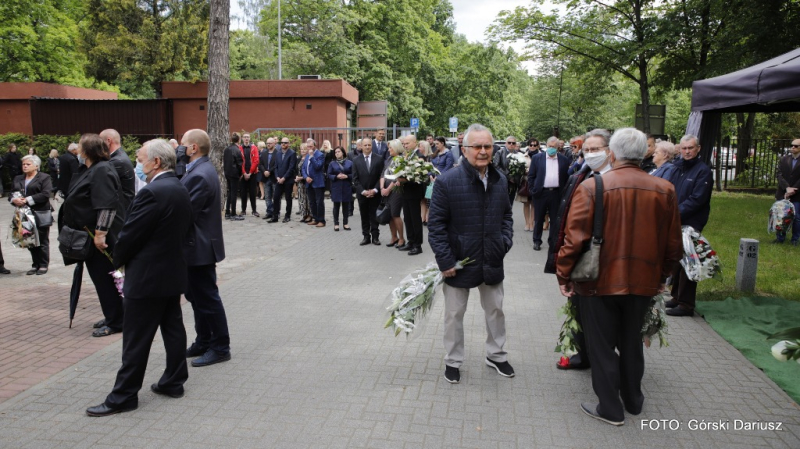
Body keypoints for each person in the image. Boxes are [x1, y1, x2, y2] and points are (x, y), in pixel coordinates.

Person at [556, 127, 682, 426]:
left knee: (601, 346)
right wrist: (663, 275)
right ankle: (633, 400)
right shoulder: (664, 189)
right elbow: (673, 243)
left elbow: (574, 240)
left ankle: (610, 408)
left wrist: (564, 274)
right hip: (643, 281)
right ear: (644, 154)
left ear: (612, 153)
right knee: (632, 341)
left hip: (598, 282)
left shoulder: (593, 187)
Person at [86, 138, 193, 417]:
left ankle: (123, 396)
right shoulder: (178, 186)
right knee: (173, 328)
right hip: (171, 273)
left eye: (141, 158)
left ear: (156, 162)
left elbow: (130, 235)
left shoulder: (153, 192)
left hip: (147, 277)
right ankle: (174, 381)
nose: (138, 162)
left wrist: (117, 261)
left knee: (135, 339)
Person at [428, 123, 515, 384]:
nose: (483, 151)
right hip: (458, 262)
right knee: (454, 314)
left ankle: (497, 355)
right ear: (464, 149)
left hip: (491, 257)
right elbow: (436, 226)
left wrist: (504, 242)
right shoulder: (447, 182)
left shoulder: (500, 179)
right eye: (476, 146)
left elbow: (507, 216)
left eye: (487, 146)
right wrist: (445, 260)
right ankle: (453, 360)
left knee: (496, 310)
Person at [545, 128, 613, 371]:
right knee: (578, 308)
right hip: (579, 256)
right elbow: (566, 221)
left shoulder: (616, 179)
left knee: (603, 314)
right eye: (587, 150)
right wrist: (561, 261)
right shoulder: (579, 176)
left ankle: (604, 360)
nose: (591, 154)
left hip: (607, 257)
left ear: (610, 151)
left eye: (596, 149)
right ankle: (580, 355)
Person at [60, 134, 125, 337]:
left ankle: (117, 321)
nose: (77, 151)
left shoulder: (102, 170)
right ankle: (112, 314)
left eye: (80, 147)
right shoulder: (90, 170)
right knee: (100, 279)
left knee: (106, 278)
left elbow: (106, 205)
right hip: (89, 235)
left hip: (100, 238)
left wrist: (100, 234)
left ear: (87, 150)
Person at [180, 129, 232, 367]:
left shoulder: (200, 174)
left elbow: (186, 212)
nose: (178, 149)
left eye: (182, 145)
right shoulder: (197, 170)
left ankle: (220, 347)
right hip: (194, 248)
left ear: (193, 148)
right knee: (196, 297)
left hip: (199, 248)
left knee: (207, 299)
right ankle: (203, 340)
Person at [665, 134, 713, 317]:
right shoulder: (677, 168)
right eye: (684, 148)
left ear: (698, 149)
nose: (687, 151)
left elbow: (697, 200)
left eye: (690, 148)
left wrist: (674, 212)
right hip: (674, 220)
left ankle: (686, 304)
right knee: (677, 260)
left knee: (689, 262)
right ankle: (676, 297)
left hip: (691, 222)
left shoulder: (703, 171)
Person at [9, 155, 53, 275]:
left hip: (40, 212)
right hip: (24, 214)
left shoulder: (44, 177)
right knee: (29, 238)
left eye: (28, 164)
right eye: (23, 164)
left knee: (42, 239)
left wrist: (27, 200)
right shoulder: (18, 178)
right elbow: (12, 193)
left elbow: (46, 194)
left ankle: (43, 264)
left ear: (36, 166)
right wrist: (14, 200)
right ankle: (35, 264)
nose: (25, 166)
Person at [528, 136, 570, 251]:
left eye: (554, 147)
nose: (552, 148)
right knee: (539, 218)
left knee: (555, 220)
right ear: (546, 146)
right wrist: (532, 190)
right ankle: (537, 241)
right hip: (541, 193)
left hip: (556, 193)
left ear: (558, 147)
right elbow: (531, 176)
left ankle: (553, 242)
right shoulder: (537, 158)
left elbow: (566, 178)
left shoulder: (564, 160)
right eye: (550, 146)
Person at [398, 135, 427, 255]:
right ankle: (410, 241)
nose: (405, 146)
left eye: (407, 143)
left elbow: (419, 175)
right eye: (403, 144)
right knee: (407, 218)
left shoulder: (419, 157)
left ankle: (417, 245)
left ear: (415, 142)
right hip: (405, 191)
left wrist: (405, 179)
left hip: (414, 191)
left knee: (415, 219)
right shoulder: (406, 156)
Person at [353, 138, 383, 244]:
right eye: (365, 145)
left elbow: (381, 176)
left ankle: (375, 236)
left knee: (374, 215)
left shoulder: (379, 159)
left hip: (375, 193)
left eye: (369, 145)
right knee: (364, 215)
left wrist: (375, 190)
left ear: (372, 146)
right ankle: (366, 236)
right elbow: (355, 179)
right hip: (362, 194)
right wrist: (363, 191)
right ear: (361, 146)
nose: (367, 147)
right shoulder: (356, 160)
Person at [99, 129, 135, 212]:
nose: (99, 145)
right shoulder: (118, 158)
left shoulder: (117, 161)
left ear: (108, 141)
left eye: (100, 142)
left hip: (121, 210)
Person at [774, 138, 800, 245]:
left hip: (797, 194)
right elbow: (779, 174)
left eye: (796, 146)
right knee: (781, 215)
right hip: (783, 193)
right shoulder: (784, 159)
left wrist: (794, 189)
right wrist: (786, 188)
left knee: (797, 217)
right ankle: (780, 238)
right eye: (791, 145)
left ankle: (795, 239)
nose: (792, 147)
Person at [381, 139, 405, 248]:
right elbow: (383, 174)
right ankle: (393, 237)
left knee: (395, 214)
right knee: (390, 215)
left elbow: (397, 178)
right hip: (386, 189)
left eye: (391, 148)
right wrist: (382, 187)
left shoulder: (400, 160)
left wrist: (388, 189)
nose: (389, 149)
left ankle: (401, 238)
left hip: (396, 191)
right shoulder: (389, 158)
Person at [270, 137, 297, 223]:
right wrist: (277, 177)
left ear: (288, 144)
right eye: (282, 143)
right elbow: (275, 166)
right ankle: (275, 216)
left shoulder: (292, 153)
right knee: (276, 197)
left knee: (288, 198)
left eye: (285, 143)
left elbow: (291, 168)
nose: (283, 144)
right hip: (279, 180)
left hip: (288, 180)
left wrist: (284, 178)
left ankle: (287, 215)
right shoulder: (278, 153)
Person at [327, 146, 353, 232]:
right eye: (335, 152)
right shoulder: (332, 163)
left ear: (343, 152)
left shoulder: (349, 163)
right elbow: (329, 175)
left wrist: (347, 176)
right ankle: (336, 224)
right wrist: (336, 176)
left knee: (346, 206)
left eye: (338, 151)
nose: (337, 153)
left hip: (346, 186)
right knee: (336, 206)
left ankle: (345, 223)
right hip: (336, 187)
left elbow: (354, 174)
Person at [493, 135, 523, 205]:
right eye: (509, 143)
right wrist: (508, 176)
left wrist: (516, 177)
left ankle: (509, 216)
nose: (511, 144)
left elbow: (521, 167)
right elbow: (496, 166)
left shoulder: (518, 154)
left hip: (514, 183)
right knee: (502, 202)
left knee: (510, 202)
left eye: (513, 143)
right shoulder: (500, 152)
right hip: (502, 181)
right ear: (506, 143)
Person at [303, 138, 326, 227]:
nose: (309, 148)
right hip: (309, 182)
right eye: (308, 146)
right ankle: (315, 218)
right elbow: (304, 168)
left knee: (319, 201)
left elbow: (317, 166)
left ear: (315, 146)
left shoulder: (320, 155)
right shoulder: (307, 155)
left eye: (311, 146)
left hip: (318, 182)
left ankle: (321, 220)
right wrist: (306, 177)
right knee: (312, 202)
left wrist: (312, 156)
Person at [223, 133, 244, 220]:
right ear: (239, 139)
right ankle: (233, 213)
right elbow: (239, 163)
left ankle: (228, 212)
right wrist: (240, 174)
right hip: (234, 174)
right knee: (234, 193)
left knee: (230, 192)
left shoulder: (227, 149)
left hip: (228, 173)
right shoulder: (237, 150)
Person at [239, 133, 260, 217]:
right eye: (245, 137)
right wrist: (244, 173)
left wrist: (250, 172)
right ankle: (243, 210)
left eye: (247, 137)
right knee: (243, 193)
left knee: (253, 192)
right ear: (242, 138)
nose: (246, 138)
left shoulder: (254, 148)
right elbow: (239, 161)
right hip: (243, 174)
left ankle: (254, 210)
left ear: (250, 138)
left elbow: (256, 160)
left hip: (252, 173)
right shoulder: (239, 148)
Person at [258, 138, 277, 220]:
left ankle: (276, 212)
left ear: (274, 144)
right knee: (267, 196)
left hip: (274, 177)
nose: (268, 144)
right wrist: (264, 171)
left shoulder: (278, 153)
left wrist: (269, 171)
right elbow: (260, 164)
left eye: (270, 143)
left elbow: (277, 165)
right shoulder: (264, 153)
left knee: (276, 196)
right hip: (265, 177)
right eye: (267, 143)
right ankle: (269, 212)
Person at [516, 147, 535, 231]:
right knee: (526, 203)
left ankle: (532, 223)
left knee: (534, 204)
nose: (533, 146)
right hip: (525, 182)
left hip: (535, 183)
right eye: (531, 144)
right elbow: (519, 169)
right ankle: (527, 223)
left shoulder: (540, 155)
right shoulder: (523, 156)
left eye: (535, 145)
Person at [295, 143, 311, 223]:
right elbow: (296, 169)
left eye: (304, 149)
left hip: (306, 181)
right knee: (301, 199)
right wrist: (296, 177)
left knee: (308, 199)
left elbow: (310, 171)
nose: (303, 151)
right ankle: (303, 214)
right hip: (299, 182)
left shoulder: (309, 158)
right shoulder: (299, 158)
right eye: (301, 149)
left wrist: (302, 177)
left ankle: (309, 215)